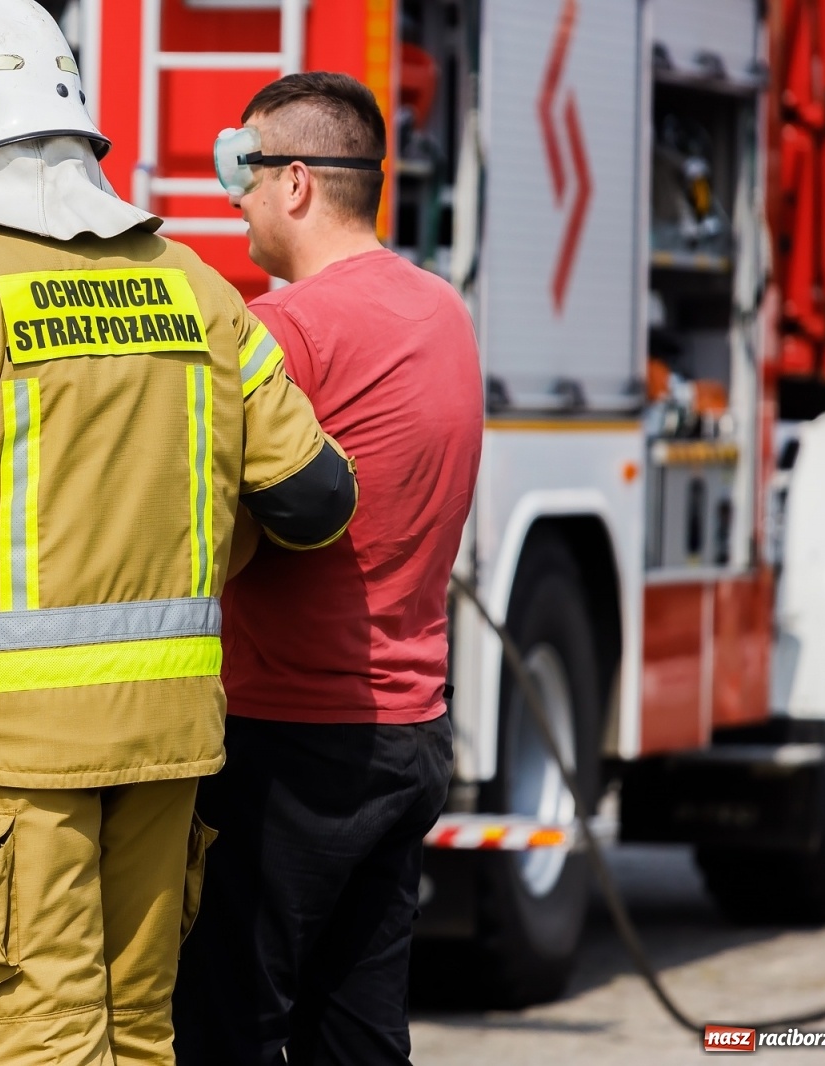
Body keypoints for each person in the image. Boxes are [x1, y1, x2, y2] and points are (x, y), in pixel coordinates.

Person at [0, 3, 358, 1063]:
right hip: (168, 751)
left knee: (31, 1047)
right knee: (137, 1041)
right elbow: (313, 498)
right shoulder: (195, 287)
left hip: (3, 769)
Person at [172, 73, 483, 1065]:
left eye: (244, 172)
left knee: (229, 1029)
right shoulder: (442, 314)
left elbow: (203, 522)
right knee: (355, 1030)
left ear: (296, 182)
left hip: (287, 744)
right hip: (405, 734)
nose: (235, 198)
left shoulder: (287, 332)